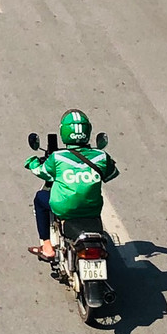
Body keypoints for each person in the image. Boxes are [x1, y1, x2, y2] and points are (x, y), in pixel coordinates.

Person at [25, 111, 119, 262]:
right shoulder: (101, 157)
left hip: (64, 208)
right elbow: (112, 173)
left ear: (64, 132)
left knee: (39, 198)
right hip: (92, 209)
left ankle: (47, 247)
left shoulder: (57, 157)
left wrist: (32, 162)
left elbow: (41, 171)